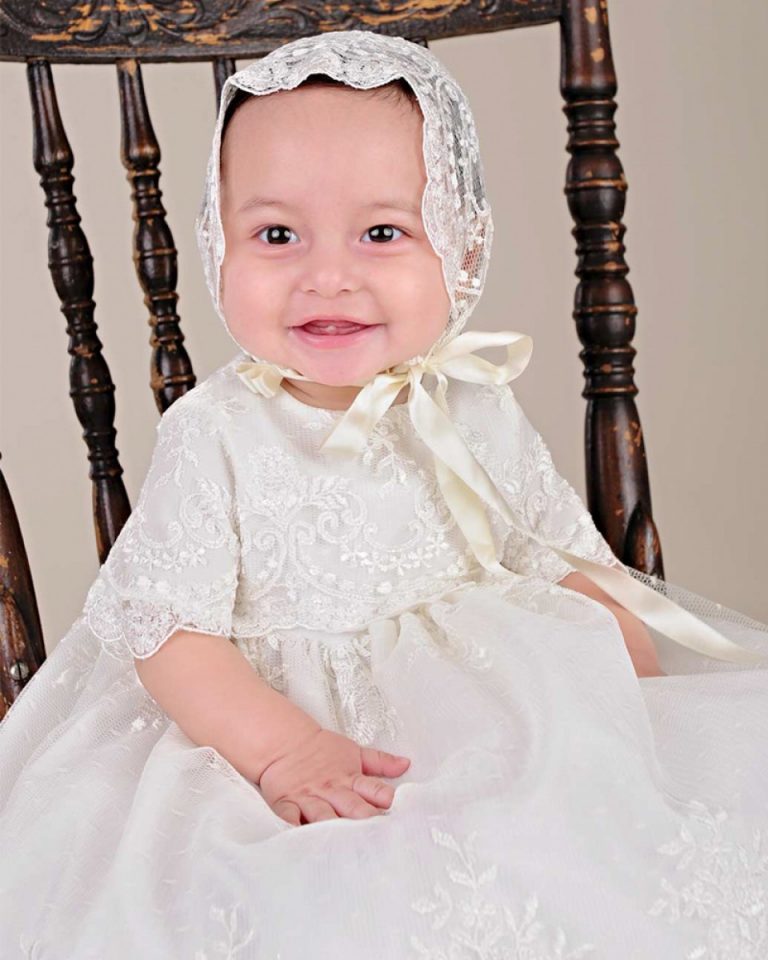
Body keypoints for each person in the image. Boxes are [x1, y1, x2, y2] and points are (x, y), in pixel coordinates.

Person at [1, 29, 766, 960]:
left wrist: (628, 682)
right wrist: (283, 752)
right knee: (324, 897)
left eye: (382, 233)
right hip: (262, 727)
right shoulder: (217, 432)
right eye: (276, 235)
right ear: (216, 243)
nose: (328, 276)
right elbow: (164, 630)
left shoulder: (468, 402)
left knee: (597, 843)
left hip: (493, 709)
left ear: (461, 244)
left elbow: (555, 552)